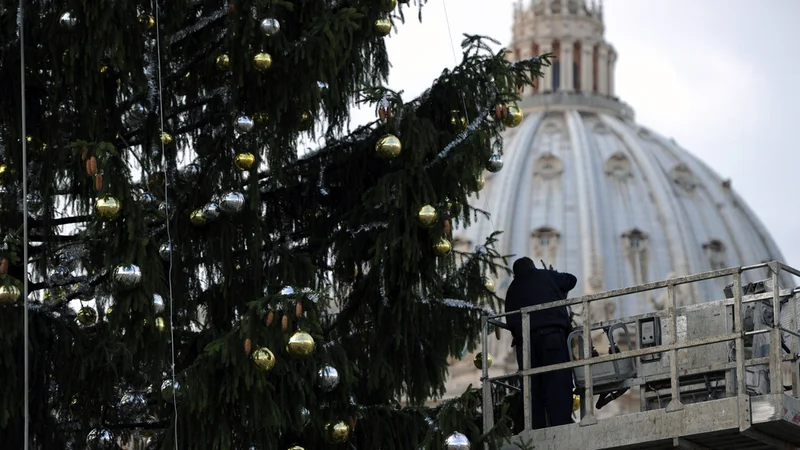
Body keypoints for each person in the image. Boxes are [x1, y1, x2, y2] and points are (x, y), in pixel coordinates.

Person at [505, 256, 577, 429]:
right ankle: (561, 425)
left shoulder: (512, 289)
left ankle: (535, 428)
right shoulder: (545, 276)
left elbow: (510, 320)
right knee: (557, 382)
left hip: (526, 344)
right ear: (533, 267)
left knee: (532, 388)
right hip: (552, 337)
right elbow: (571, 280)